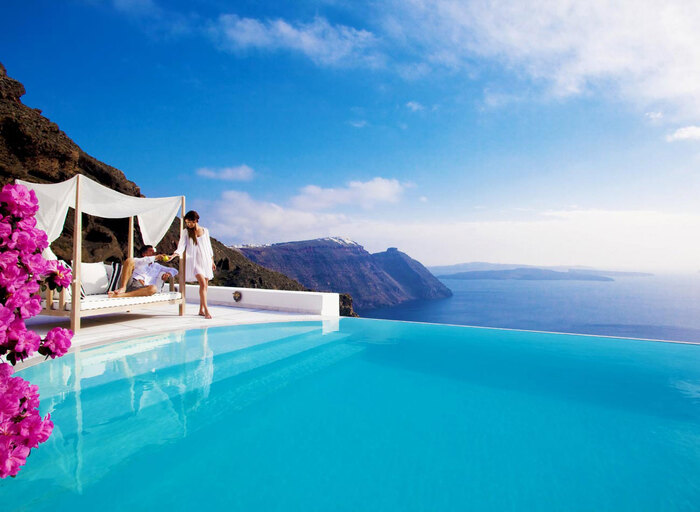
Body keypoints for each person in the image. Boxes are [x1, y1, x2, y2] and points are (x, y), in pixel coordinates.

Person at [169, 210, 216, 319]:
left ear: (196, 221)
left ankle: (200, 310)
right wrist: (174, 254)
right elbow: (181, 246)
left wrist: (212, 261)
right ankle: (207, 311)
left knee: (205, 286)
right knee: (203, 285)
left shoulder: (205, 231)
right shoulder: (185, 232)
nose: (188, 224)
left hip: (206, 260)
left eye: (190, 222)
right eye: (187, 222)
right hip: (194, 261)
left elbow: (209, 247)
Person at [109, 245, 177, 298]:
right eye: (151, 251)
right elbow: (133, 261)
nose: (153, 253)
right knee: (129, 260)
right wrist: (156, 257)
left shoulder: (157, 266)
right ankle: (123, 288)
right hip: (131, 283)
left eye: (154, 251)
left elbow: (174, 270)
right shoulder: (140, 261)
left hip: (141, 289)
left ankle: (121, 295)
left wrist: (168, 274)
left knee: (153, 289)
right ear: (144, 254)